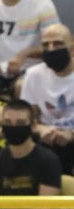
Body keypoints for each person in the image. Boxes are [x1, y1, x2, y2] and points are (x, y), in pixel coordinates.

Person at [19, 23, 74, 173]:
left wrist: (71, 134)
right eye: (46, 45)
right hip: (47, 140)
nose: (51, 49)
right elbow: (27, 117)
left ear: (71, 47)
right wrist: (39, 129)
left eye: (58, 43)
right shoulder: (34, 75)